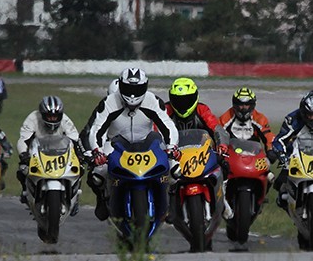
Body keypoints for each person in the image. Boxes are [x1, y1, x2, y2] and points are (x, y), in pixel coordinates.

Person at [81, 67, 181, 221]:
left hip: (148, 144)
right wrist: (97, 151)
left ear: (145, 86)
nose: (132, 95)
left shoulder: (153, 101)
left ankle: (172, 202)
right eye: (128, 88)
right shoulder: (109, 102)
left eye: (137, 89)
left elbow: (168, 126)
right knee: (97, 173)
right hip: (116, 144)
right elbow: (97, 129)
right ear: (120, 86)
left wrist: (172, 147)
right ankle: (102, 199)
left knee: (175, 168)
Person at [164, 77, 231, 221]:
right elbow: (155, 129)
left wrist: (222, 145)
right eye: (178, 100)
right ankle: (168, 205)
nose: (183, 104)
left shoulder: (202, 109)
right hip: (175, 156)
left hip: (201, 153)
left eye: (187, 100)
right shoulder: (165, 110)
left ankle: (222, 198)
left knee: (224, 164)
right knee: (161, 174)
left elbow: (216, 128)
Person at [16, 95, 87, 210]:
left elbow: (75, 139)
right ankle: (25, 190)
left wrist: (80, 154)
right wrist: (24, 155)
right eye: (49, 116)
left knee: (80, 168)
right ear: (42, 114)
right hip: (38, 152)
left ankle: (75, 196)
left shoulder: (65, 120)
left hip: (60, 151)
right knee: (23, 169)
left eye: (55, 116)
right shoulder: (33, 118)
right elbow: (23, 139)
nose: (52, 119)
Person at [218, 86, 277, 158]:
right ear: (235, 105)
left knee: (267, 168)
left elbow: (268, 135)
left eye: (247, 105)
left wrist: (270, 150)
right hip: (232, 157)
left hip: (253, 157)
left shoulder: (259, 118)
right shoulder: (225, 118)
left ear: (252, 105)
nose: (243, 108)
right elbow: (217, 133)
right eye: (241, 105)